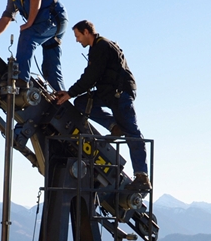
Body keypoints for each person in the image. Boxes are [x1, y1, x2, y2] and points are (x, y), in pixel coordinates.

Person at [55, 20, 150, 193]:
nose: (77, 40)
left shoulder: (102, 47)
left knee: (132, 133)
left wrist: (70, 93)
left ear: (86, 32)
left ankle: (142, 177)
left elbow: (91, 76)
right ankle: (114, 126)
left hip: (119, 95)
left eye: (77, 36)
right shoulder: (96, 48)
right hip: (108, 94)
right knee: (81, 103)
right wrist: (72, 93)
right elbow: (91, 75)